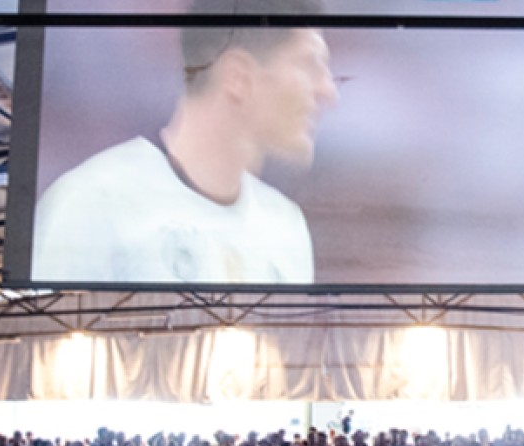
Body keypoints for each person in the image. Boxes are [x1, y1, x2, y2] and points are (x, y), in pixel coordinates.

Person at [32, 0, 338, 284]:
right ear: (237, 77)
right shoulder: (92, 203)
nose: (328, 91)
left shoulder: (287, 227)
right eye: (309, 64)